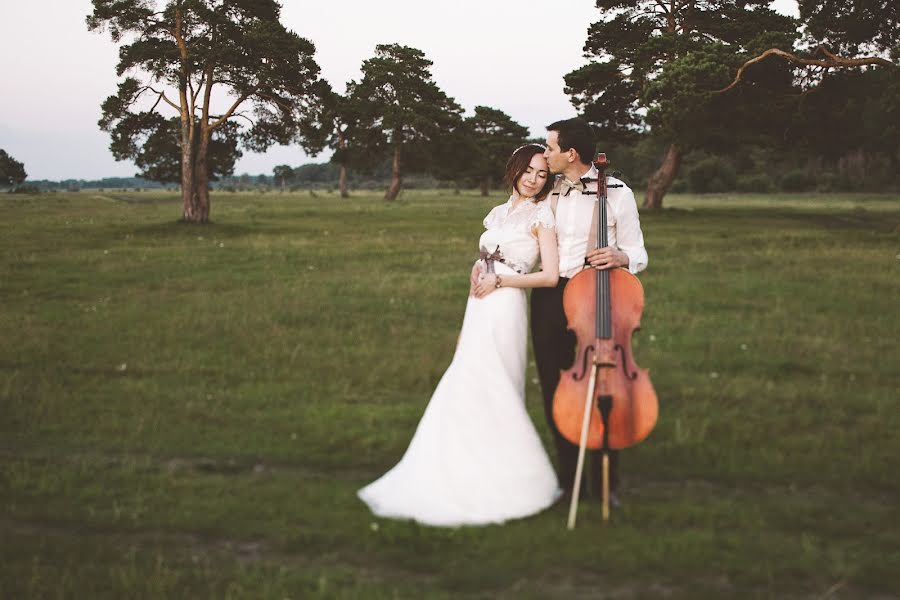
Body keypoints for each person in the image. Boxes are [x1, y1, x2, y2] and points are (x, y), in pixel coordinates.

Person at [358, 144, 563, 526]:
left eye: (542, 174)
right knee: (467, 376)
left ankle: (506, 474)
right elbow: (489, 254)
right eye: (529, 171)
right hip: (480, 303)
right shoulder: (499, 212)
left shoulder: (542, 216)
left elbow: (549, 276)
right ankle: (457, 464)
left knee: (497, 381)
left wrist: (500, 279)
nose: (535, 179)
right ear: (515, 170)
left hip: (506, 305)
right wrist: (477, 271)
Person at [531, 117, 648, 504]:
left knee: (602, 386)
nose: (545, 155)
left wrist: (621, 255)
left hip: (595, 296)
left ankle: (605, 480)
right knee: (556, 389)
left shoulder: (617, 193)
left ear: (571, 154)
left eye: (549, 148)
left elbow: (640, 252)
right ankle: (569, 479)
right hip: (550, 297)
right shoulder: (549, 193)